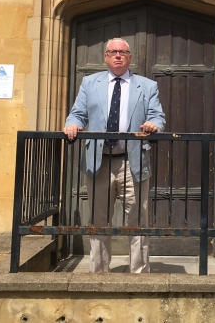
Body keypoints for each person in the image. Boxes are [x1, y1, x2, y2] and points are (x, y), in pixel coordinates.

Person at [64, 38, 165, 273]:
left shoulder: (147, 86)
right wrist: (72, 124)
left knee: (137, 219)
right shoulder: (89, 83)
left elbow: (158, 116)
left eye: (123, 52)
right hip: (99, 161)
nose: (118, 55)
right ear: (106, 57)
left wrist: (153, 124)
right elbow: (77, 114)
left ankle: (138, 273)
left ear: (129, 57)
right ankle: (98, 273)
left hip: (133, 160)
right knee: (98, 219)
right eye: (113, 52)